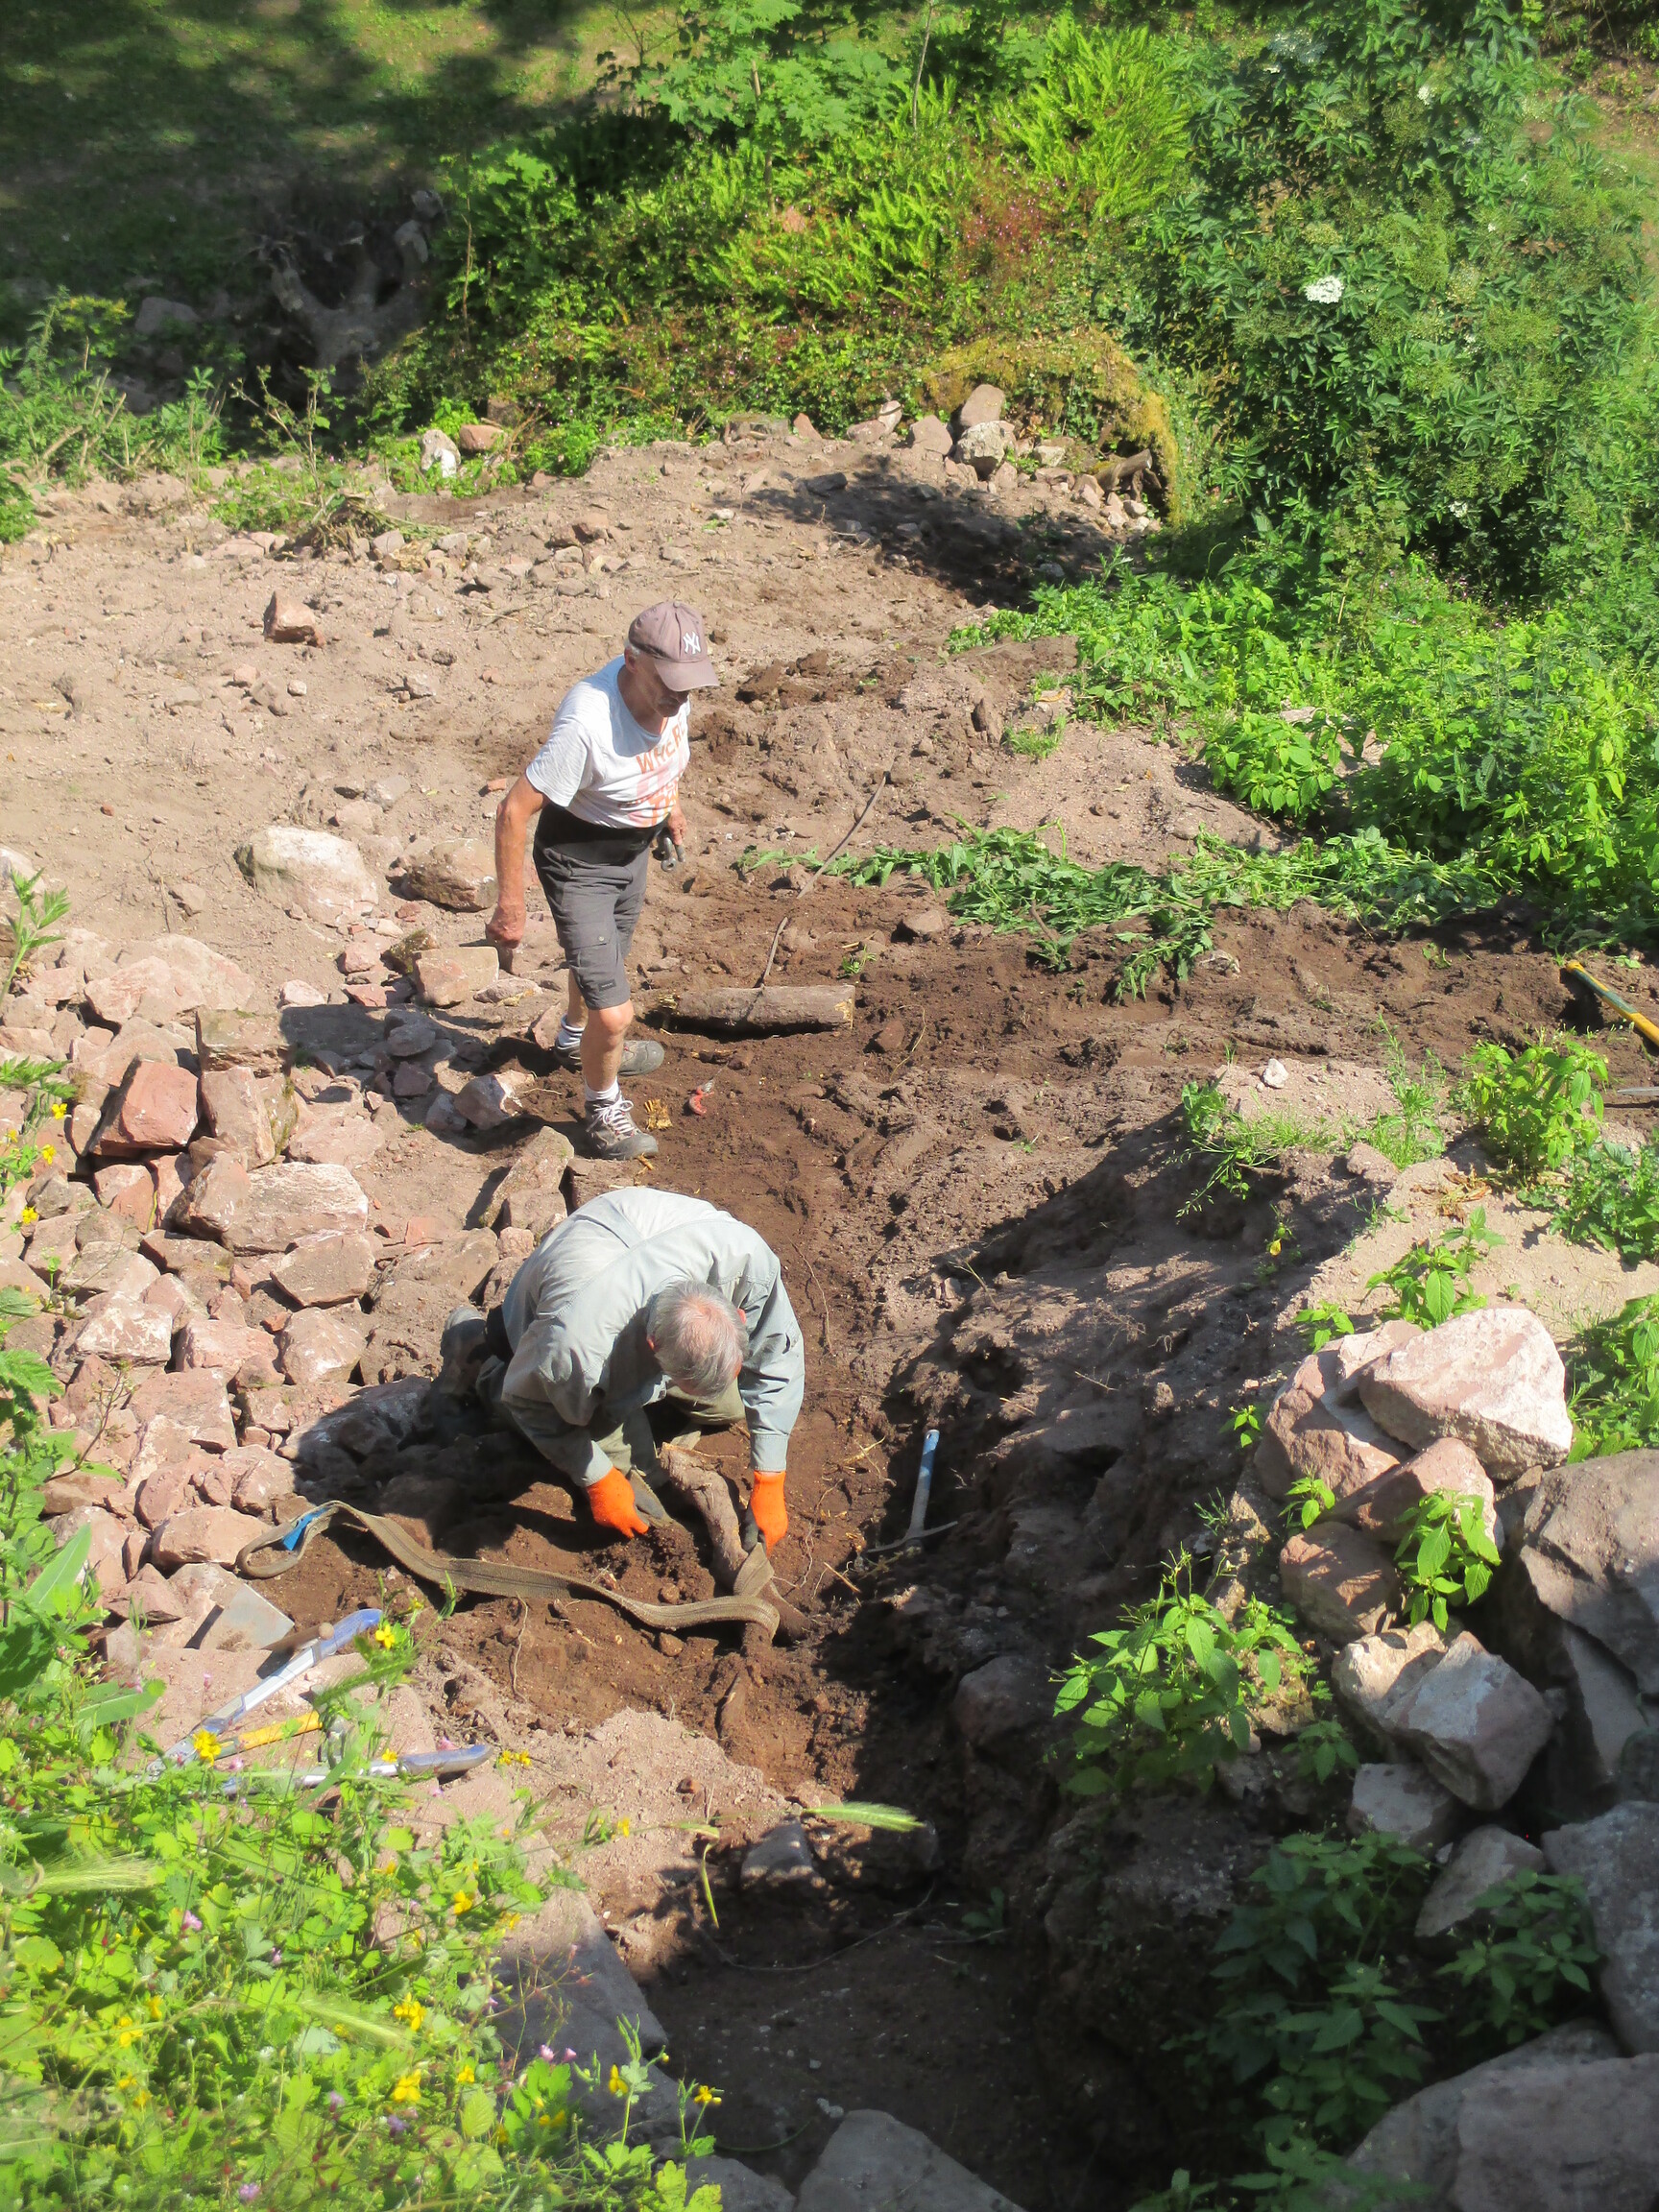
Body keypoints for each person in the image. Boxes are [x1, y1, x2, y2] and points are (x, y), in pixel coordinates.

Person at [486, 601, 718, 1162]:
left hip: (631, 853)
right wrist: (510, 906)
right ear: (632, 661)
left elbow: (665, 757)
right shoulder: (587, 725)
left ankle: (575, 1040)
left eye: (689, 683)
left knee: (603, 964)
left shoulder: (672, 694)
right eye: (670, 682)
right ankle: (603, 1109)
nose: (681, 696)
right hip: (579, 859)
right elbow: (513, 811)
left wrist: (668, 808)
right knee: (615, 1013)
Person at [445, 1186, 803, 1550]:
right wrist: (596, 1477)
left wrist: (770, 1478)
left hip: (631, 1240)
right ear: (653, 1349)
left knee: (732, 1406)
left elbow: (776, 1354)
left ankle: (646, 1407)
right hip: (555, 1307)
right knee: (642, 1484)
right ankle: (479, 1357)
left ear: (738, 1316)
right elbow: (529, 1404)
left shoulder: (745, 1261)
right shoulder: (578, 1346)